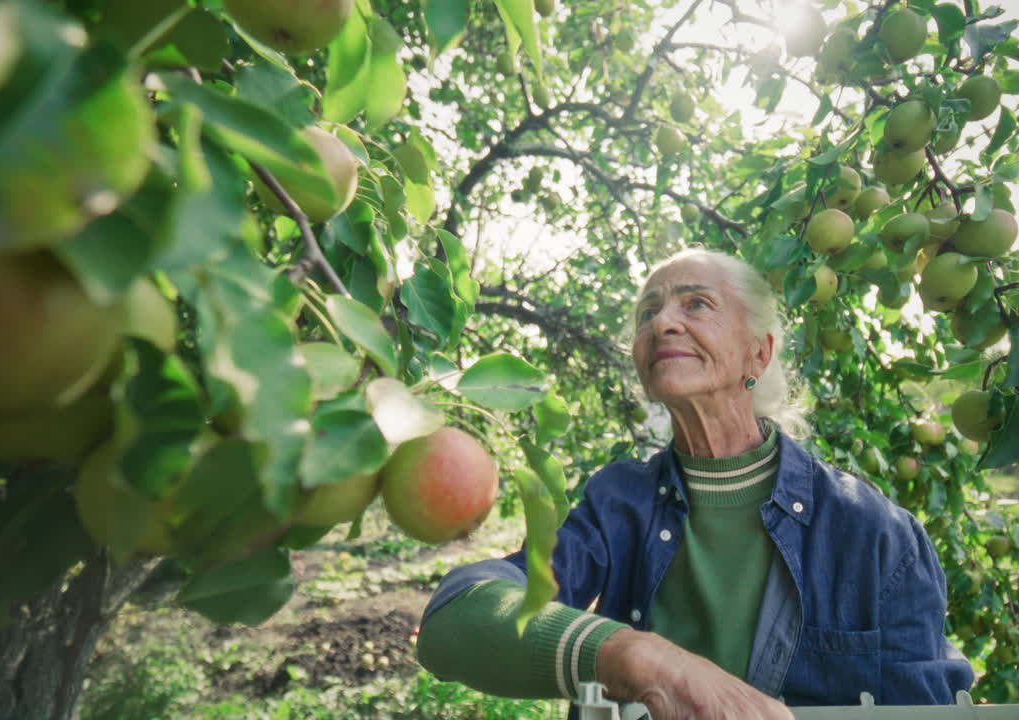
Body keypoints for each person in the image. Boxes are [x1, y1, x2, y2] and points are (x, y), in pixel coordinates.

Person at [416, 248, 974, 719]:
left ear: (760, 351)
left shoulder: (872, 532)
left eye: (697, 304)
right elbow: (454, 617)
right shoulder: (618, 504)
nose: (661, 323)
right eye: (647, 313)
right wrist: (638, 659)